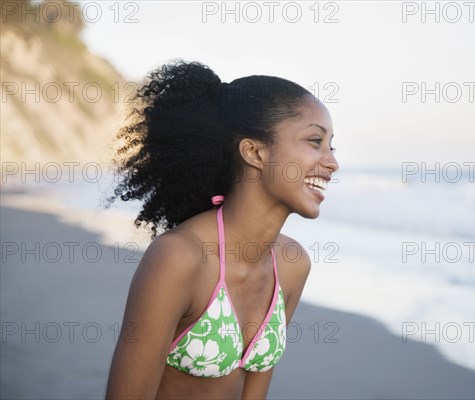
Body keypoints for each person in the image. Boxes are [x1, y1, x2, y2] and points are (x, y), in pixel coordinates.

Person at [104, 60, 339, 399]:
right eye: (315, 140)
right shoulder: (179, 258)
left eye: (331, 146)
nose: (332, 162)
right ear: (254, 151)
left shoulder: (292, 264)